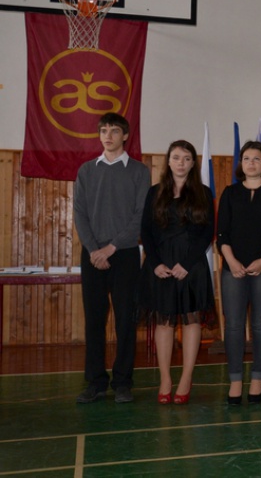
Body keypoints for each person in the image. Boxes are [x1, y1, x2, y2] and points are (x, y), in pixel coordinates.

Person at [73, 112, 150, 404]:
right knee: (94, 320)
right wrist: (94, 249)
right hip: (92, 255)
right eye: (103, 130)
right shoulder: (86, 171)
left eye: (114, 130)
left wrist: (112, 248)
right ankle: (95, 382)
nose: (108, 135)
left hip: (125, 254)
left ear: (125, 135)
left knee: (126, 321)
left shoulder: (139, 171)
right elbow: (80, 213)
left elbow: (140, 216)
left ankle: (123, 382)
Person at [138, 140, 216, 405]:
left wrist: (188, 263)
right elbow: (146, 230)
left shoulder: (203, 193)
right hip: (161, 265)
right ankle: (165, 379)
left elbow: (207, 232)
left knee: (191, 320)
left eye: (186, 158)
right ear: (168, 161)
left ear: (193, 163)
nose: (181, 162)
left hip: (191, 266)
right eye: (176, 157)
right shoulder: (155, 192)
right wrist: (155, 263)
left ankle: (186, 378)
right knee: (164, 321)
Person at [217, 141, 261, 405]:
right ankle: (236, 380)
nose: (251, 163)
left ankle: (258, 378)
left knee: (260, 324)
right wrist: (232, 261)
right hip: (232, 269)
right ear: (241, 164)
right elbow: (222, 234)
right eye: (246, 158)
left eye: (256, 158)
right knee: (234, 325)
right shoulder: (229, 193)